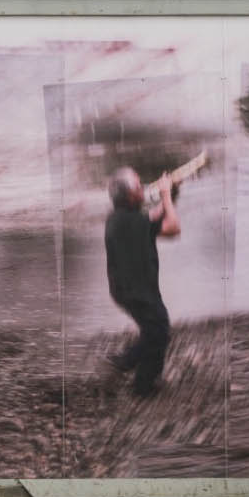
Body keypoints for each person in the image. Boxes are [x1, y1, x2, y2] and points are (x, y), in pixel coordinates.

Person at [104, 166, 183, 395]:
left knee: (154, 330)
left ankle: (126, 362)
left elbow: (155, 216)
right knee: (159, 331)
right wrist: (166, 195)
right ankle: (142, 384)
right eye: (139, 187)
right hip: (135, 291)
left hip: (131, 288)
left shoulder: (122, 217)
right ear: (129, 196)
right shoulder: (127, 222)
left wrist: (172, 193)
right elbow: (173, 228)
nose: (144, 189)